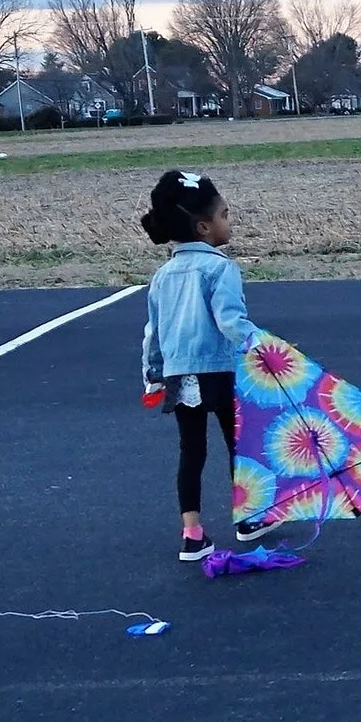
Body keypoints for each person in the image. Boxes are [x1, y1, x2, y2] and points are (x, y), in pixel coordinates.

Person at [138, 170, 278, 559]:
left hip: (180, 375)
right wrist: (264, 346)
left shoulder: (163, 275)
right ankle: (250, 518)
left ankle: (192, 534)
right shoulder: (221, 268)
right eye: (225, 215)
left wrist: (153, 376)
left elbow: (154, 332)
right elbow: (230, 321)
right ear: (203, 227)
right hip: (219, 370)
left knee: (192, 450)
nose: (229, 222)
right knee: (240, 444)